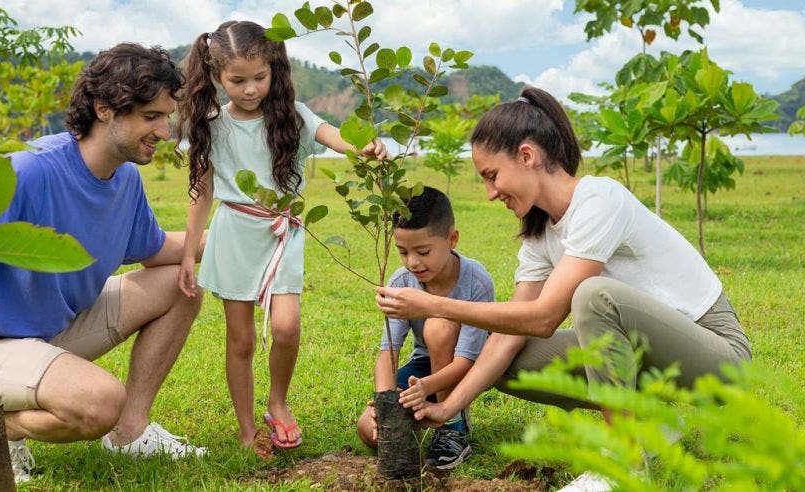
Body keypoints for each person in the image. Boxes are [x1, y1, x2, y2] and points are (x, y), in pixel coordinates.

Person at [376, 87, 752, 490]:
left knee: (593, 296)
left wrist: (433, 304)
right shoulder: (539, 235)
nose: (489, 193)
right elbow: (509, 337)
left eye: (492, 175)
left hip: (716, 354)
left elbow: (543, 317)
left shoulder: (600, 199)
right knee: (506, 358)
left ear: (526, 156)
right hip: (648, 353)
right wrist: (449, 405)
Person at [0, 43, 207, 485]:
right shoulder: (30, 170)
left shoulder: (124, 179)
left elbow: (157, 250)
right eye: (151, 117)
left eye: (166, 117)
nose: (165, 131)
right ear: (105, 109)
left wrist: (234, 235)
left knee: (182, 281)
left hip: (49, 331)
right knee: (99, 402)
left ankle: (129, 434)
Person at [176, 20, 387, 450]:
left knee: (287, 328)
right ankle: (246, 427)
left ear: (274, 70)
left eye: (259, 77)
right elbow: (202, 191)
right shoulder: (213, 124)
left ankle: (277, 401)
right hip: (234, 232)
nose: (250, 89)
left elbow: (331, 134)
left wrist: (362, 147)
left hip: (282, 232)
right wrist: (186, 251)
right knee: (241, 338)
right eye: (237, 80)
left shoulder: (293, 116)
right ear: (217, 78)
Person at [356, 186, 494, 470]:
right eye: (402, 251)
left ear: (452, 239)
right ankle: (418, 419)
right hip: (424, 366)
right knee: (366, 429)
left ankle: (452, 427)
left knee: (438, 326)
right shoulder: (401, 281)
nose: (412, 262)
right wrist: (386, 404)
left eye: (423, 251)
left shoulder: (475, 281)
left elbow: (467, 361)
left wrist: (425, 387)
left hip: (469, 367)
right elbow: (388, 353)